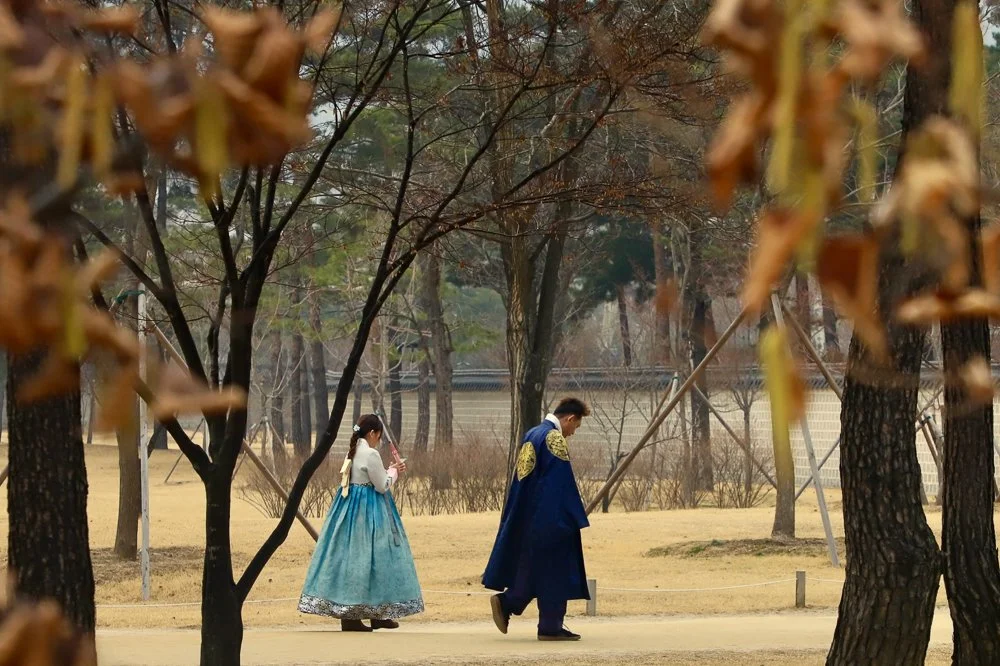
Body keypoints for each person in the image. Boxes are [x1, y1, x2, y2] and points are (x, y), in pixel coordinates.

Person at [298, 414, 424, 631]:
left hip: (349, 510)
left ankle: (371, 615)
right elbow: (382, 485)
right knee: (378, 558)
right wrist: (395, 471)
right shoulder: (371, 454)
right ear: (372, 433)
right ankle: (364, 615)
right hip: (371, 512)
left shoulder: (353, 452)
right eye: (379, 436)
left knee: (354, 559)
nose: (379, 440)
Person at [482, 397, 591, 641]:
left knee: (536, 569)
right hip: (551, 519)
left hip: (529, 516)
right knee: (556, 570)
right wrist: (569, 516)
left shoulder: (532, 434)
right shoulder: (554, 438)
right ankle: (549, 625)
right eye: (576, 427)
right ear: (569, 419)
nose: (573, 433)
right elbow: (558, 484)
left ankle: (509, 602)